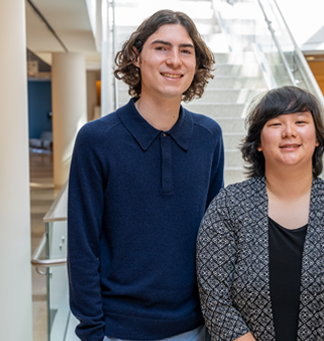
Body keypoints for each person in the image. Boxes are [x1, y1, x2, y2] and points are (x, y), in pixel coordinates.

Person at [67, 9, 223, 341]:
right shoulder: (97, 140)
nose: (175, 60)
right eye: (161, 48)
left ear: (196, 64)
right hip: (118, 329)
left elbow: (216, 240)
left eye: (185, 50)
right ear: (136, 57)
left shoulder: (209, 137)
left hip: (195, 329)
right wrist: (93, 332)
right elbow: (83, 245)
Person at [197, 86, 324, 341]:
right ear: (258, 142)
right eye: (275, 123)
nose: (289, 132)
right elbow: (215, 300)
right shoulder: (228, 207)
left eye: (301, 121)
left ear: (317, 138)